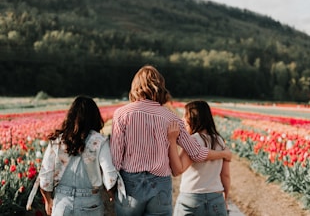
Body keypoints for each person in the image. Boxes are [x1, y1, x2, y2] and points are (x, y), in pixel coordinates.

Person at [110, 65, 231, 216]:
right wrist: (223, 154)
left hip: (130, 185)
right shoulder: (171, 118)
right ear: (160, 87)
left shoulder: (121, 114)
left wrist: (111, 187)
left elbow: (116, 157)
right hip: (160, 184)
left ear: (135, 87)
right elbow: (197, 153)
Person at [27, 95, 125, 216]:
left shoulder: (57, 141)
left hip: (62, 204)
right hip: (90, 203)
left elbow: (45, 176)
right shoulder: (100, 141)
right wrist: (111, 195)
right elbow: (110, 176)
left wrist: (48, 201)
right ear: (94, 117)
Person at [168, 100, 231, 216]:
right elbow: (225, 175)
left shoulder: (193, 140)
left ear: (192, 118)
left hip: (191, 198)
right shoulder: (220, 141)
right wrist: (225, 198)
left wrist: (172, 140)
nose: (182, 120)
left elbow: (178, 170)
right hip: (216, 198)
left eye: (184, 116)